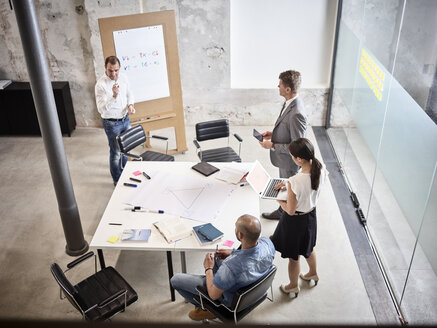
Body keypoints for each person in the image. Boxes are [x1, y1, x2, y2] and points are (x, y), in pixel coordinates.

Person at [170, 214, 275, 321]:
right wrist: (232, 253)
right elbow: (251, 258)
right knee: (217, 259)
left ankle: (207, 309)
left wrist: (208, 269)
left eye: (235, 227)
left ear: (240, 235)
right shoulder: (267, 244)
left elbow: (213, 295)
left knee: (175, 280)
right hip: (253, 290)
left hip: (229, 300)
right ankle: (218, 282)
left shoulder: (230, 267)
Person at [270, 138, 328, 298]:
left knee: (293, 257)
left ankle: (293, 286)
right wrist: (288, 184)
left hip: (294, 222)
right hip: (310, 216)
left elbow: (289, 210)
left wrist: (280, 201)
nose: (292, 158)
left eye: (292, 156)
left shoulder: (296, 181)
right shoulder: (320, 167)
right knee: (308, 249)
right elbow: (309, 186)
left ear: (299, 159)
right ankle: (312, 274)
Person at [259, 70, 307, 220]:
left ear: (287, 89)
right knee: (285, 189)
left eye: (279, 85)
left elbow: (297, 147)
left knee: (289, 193)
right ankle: (281, 212)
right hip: (284, 160)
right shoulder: (290, 103)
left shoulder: (296, 113)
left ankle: (285, 218)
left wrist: (272, 145)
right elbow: (287, 130)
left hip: (289, 162)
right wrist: (273, 135)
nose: (277, 86)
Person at [95, 56, 136, 185]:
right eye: (110, 71)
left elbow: (129, 93)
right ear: (105, 68)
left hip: (125, 119)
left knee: (126, 148)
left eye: (116, 70)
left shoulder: (123, 78)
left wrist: (130, 105)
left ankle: (124, 171)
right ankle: (117, 180)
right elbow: (101, 109)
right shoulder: (100, 85)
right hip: (112, 123)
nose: (114, 74)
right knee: (116, 152)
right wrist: (113, 96)